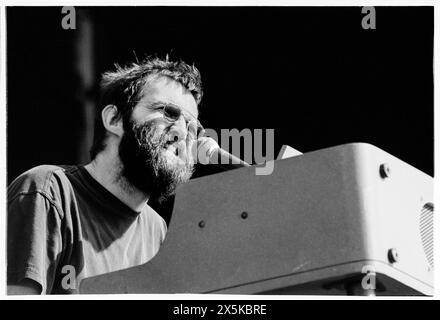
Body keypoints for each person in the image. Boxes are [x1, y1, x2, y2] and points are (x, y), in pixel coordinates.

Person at [7, 56, 203, 294]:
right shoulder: (47, 192)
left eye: (193, 127)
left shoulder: (158, 230)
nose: (182, 132)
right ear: (114, 119)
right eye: (169, 113)